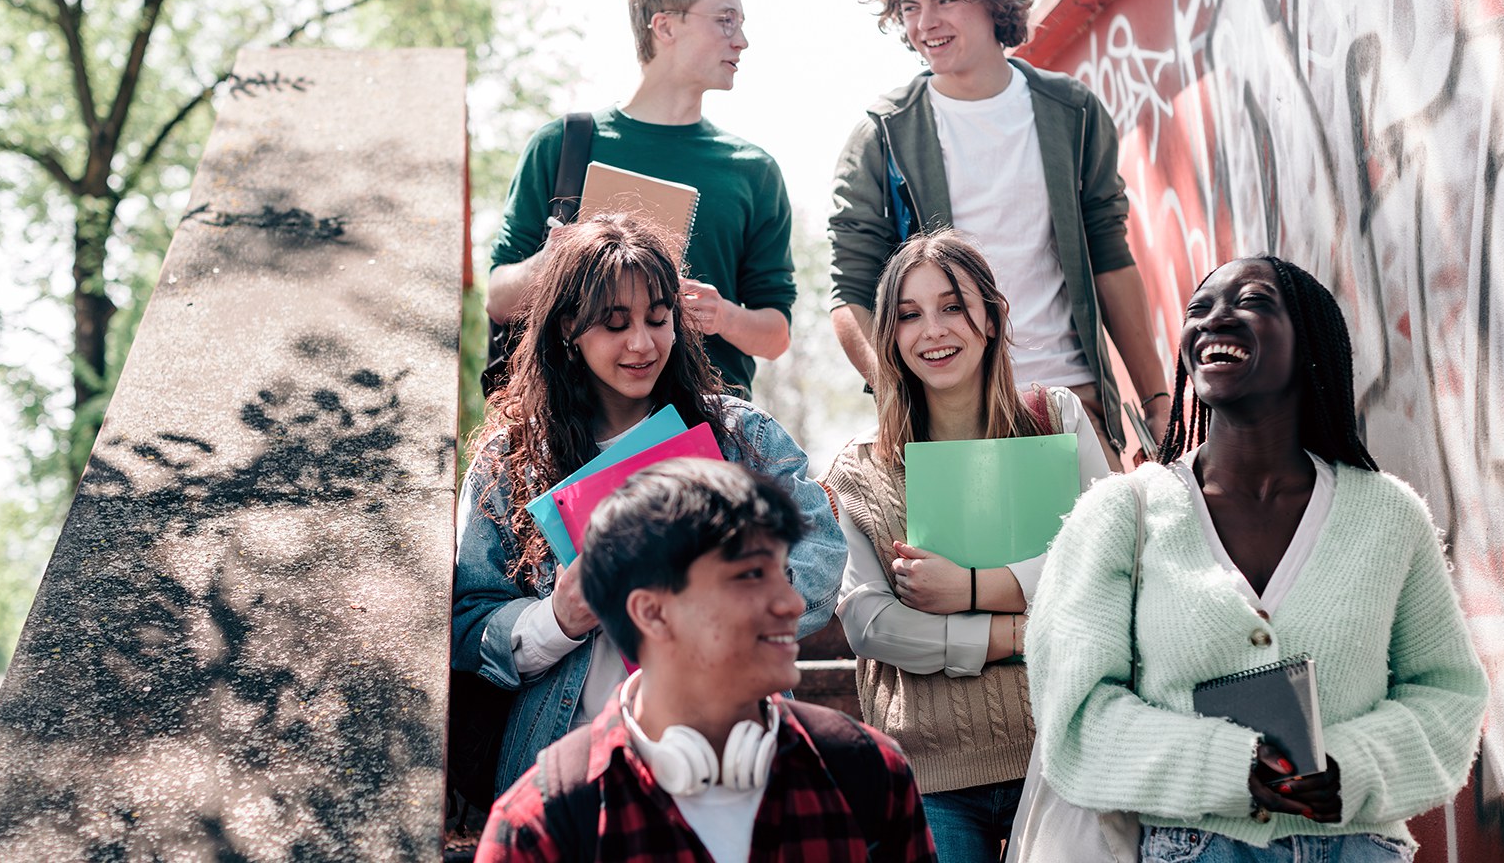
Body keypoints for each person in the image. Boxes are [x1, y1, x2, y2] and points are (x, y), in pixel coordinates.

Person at [1025, 256, 1488, 860]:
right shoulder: (1120, 516)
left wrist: (1346, 766)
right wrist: (1232, 767)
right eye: (1199, 309)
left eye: (1252, 301)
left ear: (1310, 344)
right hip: (1194, 845)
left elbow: (1447, 694)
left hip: (1357, 847)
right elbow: (1076, 710)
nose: (1216, 318)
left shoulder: (1388, 517)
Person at [452, 214, 845, 798]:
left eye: (658, 319)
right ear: (568, 327)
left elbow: (820, 557)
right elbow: (467, 624)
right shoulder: (511, 461)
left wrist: (731, 596)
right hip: (574, 775)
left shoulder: (743, 439)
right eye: (615, 325)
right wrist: (557, 619)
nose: (642, 343)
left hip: (729, 758)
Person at [828, 0, 1171, 468]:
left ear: (992, 1)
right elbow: (851, 290)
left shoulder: (1071, 112)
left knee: (1108, 554)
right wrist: (903, 399)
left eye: (945, 0)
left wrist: (1155, 399)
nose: (926, 23)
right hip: (953, 418)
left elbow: (1110, 254)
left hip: (1069, 401)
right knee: (962, 561)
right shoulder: (884, 133)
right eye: (910, 8)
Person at [476, 458, 938, 862]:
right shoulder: (540, 824)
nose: (792, 603)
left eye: (783, 572)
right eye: (752, 575)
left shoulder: (872, 774)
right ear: (651, 612)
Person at [824, 230, 1110, 862]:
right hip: (933, 777)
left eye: (952, 306)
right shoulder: (860, 467)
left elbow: (1110, 556)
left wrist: (973, 589)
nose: (934, 330)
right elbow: (872, 624)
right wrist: (1016, 634)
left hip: (1064, 753)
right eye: (909, 315)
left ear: (991, 316)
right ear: (889, 338)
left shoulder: (1054, 417)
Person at [486, 0, 795, 397]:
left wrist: (723, 315)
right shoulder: (562, 145)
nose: (742, 40)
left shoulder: (753, 170)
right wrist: (548, 264)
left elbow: (776, 334)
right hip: (573, 431)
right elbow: (498, 299)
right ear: (665, 26)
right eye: (726, 20)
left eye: (740, 23)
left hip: (706, 431)